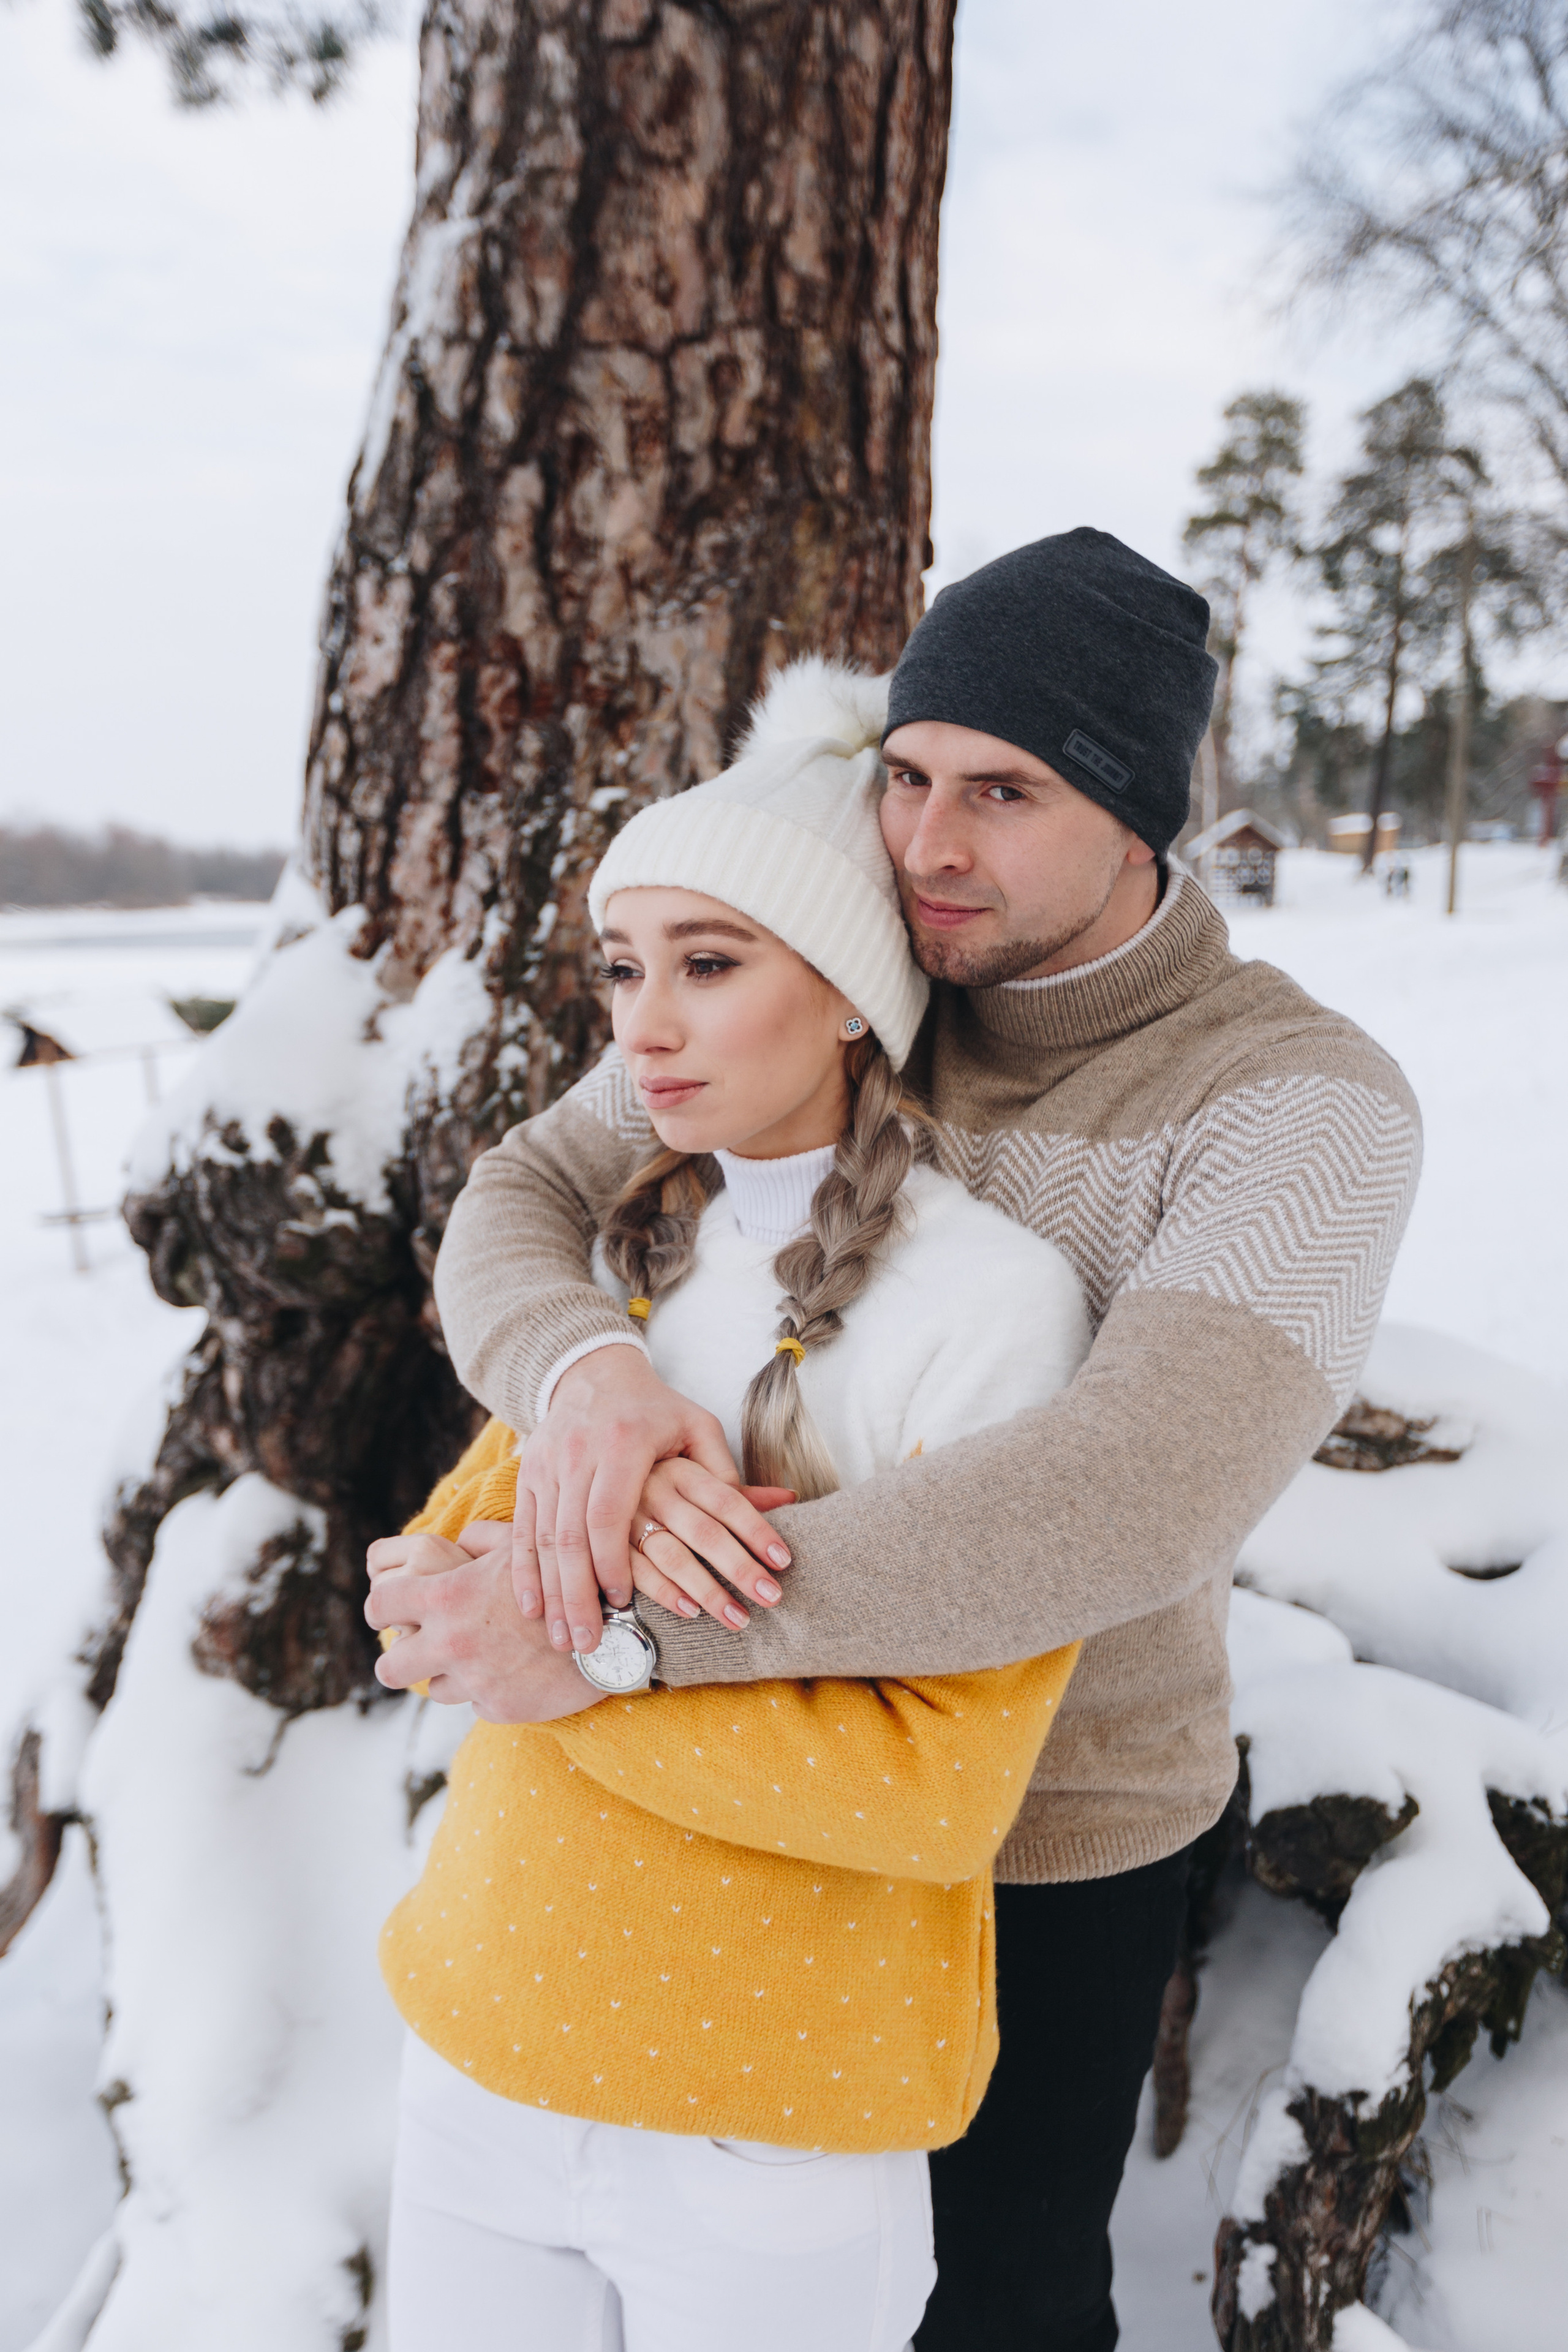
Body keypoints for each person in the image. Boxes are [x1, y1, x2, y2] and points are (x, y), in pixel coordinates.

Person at [400, 530, 1425, 2350]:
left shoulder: (1294, 1100)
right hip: (705, 1809)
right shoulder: (852, 964)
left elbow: (1132, 1495)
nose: (932, 843)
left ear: (1138, 818)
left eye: (1004, 792)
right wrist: (588, 1381)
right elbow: (524, 1192)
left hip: (1039, 1832)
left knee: (992, 2301)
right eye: (909, 776)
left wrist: (609, 1630)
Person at [367, 666, 1095, 2352]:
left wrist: (587, 1660)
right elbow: (427, 1609)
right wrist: (586, 1465)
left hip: (764, 2113)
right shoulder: (622, 1266)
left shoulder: (993, 1308)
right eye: (625, 969)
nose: (646, 1026)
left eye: (710, 964)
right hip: (480, 2046)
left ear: (850, 994)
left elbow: (936, 1785)